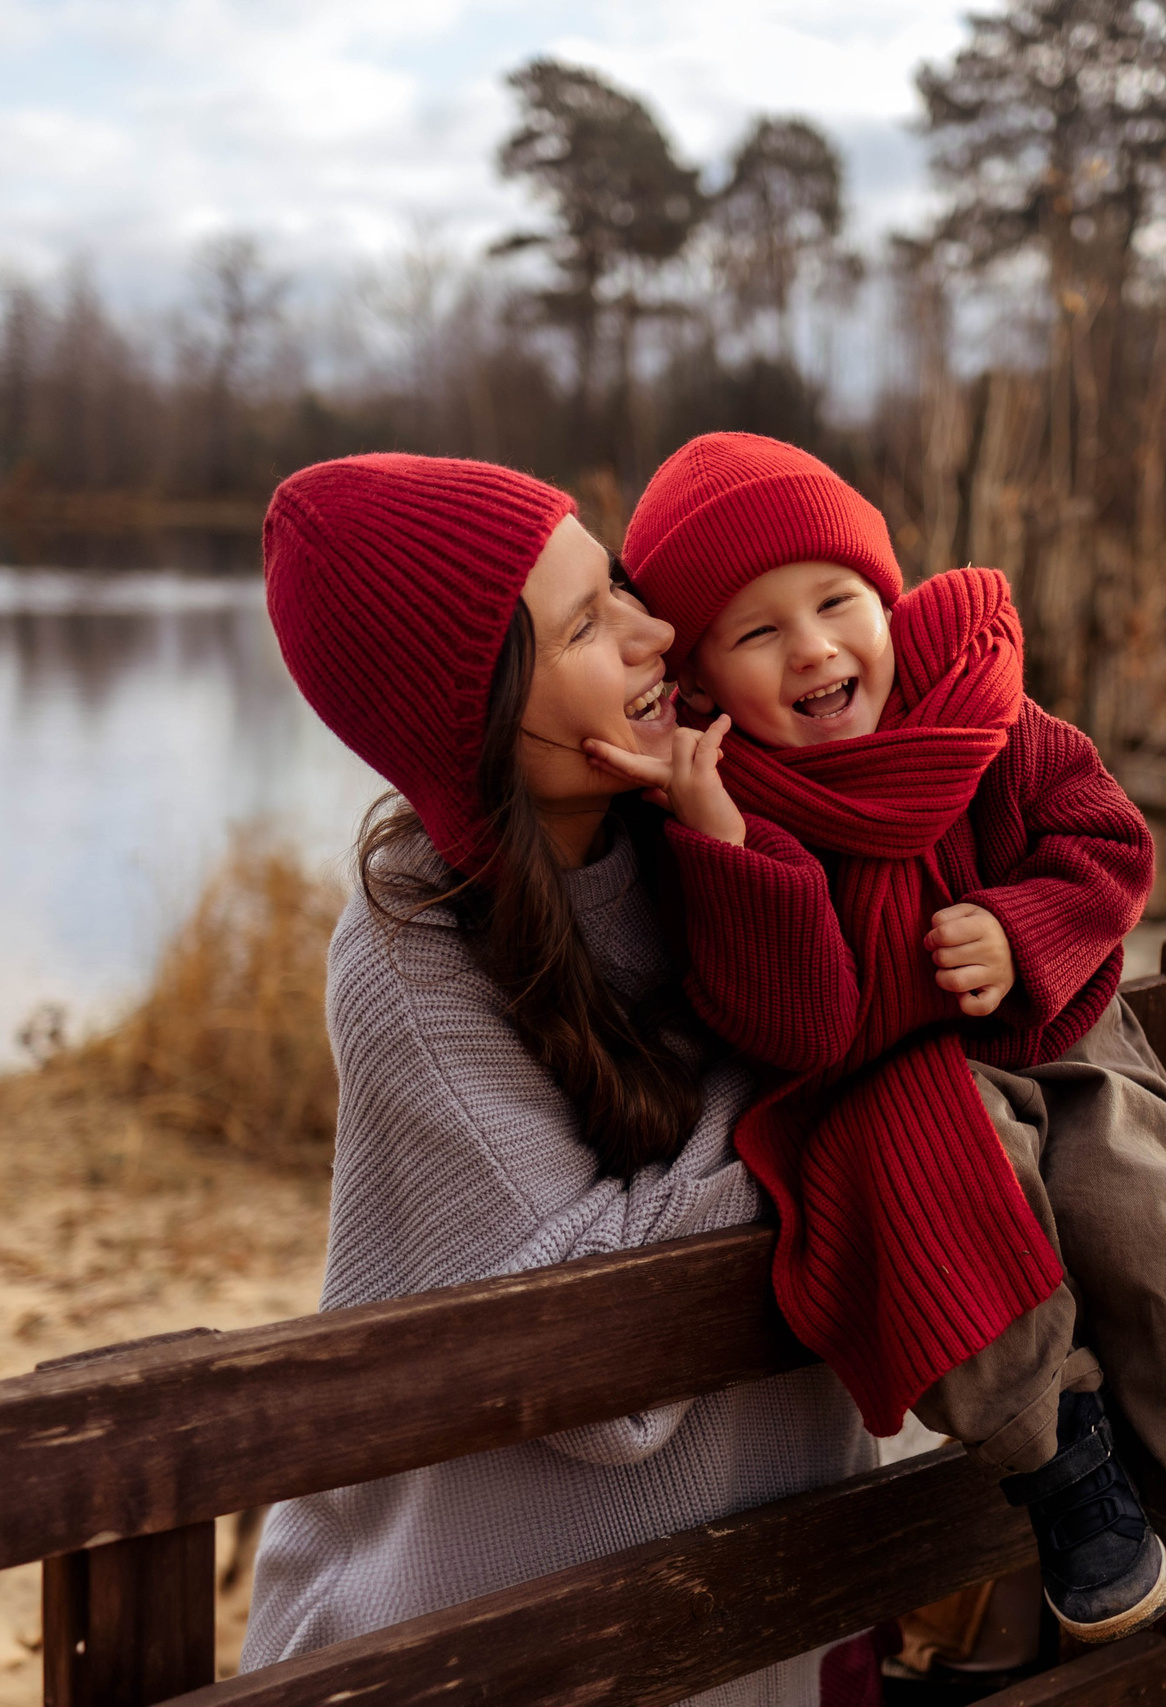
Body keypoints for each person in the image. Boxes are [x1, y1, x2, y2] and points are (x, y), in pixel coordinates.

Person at [596, 432, 1166, 1692]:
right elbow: (796, 1029)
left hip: (1066, 1041)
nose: (817, 650)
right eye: (757, 634)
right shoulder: (734, 808)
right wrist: (722, 842)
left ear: (886, 595)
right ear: (701, 675)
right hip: (890, 1080)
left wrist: (1026, 923)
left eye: (836, 602)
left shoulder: (984, 717)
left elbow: (1105, 841)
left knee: (1130, 1211)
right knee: (950, 1194)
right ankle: (1063, 1463)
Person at [239, 452, 875, 1703]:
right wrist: (822, 1042)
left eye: (623, 587)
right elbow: (601, 1385)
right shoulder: (412, 951)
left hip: (783, 1606)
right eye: (589, 624)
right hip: (492, 1649)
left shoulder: (734, 816)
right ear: (474, 713)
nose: (658, 633)